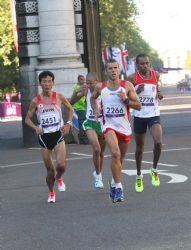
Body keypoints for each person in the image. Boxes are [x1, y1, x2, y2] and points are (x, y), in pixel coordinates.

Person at [91, 59, 141, 203]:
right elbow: (93, 99)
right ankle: (119, 188)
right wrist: (96, 110)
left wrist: (126, 100)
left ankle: (114, 181)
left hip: (124, 127)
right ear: (106, 71)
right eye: (110, 68)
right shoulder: (101, 87)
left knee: (120, 158)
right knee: (115, 153)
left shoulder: (127, 85)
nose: (113, 71)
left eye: (115, 68)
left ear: (119, 70)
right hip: (108, 125)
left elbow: (138, 105)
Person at [25, 71, 74, 203]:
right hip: (44, 138)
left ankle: (60, 177)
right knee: (49, 171)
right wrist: (36, 127)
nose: (47, 84)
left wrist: (68, 124)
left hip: (58, 134)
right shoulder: (36, 101)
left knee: (61, 165)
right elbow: (27, 119)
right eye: (44, 81)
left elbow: (71, 109)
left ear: (53, 82)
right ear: (40, 83)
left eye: (49, 81)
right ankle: (51, 192)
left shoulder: (59, 97)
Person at [127, 54, 163, 193]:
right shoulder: (132, 78)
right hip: (139, 115)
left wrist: (159, 94)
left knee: (158, 142)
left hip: (153, 114)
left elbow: (156, 88)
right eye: (142, 64)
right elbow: (125, 95)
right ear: (137, 64)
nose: (145, 66)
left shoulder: (156, 75)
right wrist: (137, 90)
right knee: (140, 148)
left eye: (147, 63)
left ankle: (154, 169)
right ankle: (138, 175)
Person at [81, 72, 106, 188]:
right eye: (87, 83)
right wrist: (80, 94)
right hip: (90, 122)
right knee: (96, 149)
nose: (89, 85)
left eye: (91, 83)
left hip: (103, 124)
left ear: (97, 82)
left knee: (101, 152)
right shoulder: (85, 91)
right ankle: (98, 177)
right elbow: (71, 101)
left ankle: (98, 173)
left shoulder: (104, 90)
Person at [70, 75, 89, 144]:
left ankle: (83, 138)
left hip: (83, 108)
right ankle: (83, 139)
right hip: (80, 108)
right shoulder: (77, 88)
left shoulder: (81, 87)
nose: (83, 81)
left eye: (84, 79)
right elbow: (79, 98)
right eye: (81, 79)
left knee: (84, 123)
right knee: (82, 124)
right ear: (78, 80)